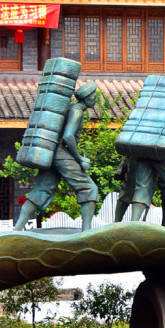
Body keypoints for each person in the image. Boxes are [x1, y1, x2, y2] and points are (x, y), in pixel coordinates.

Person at [13, 81, 100, 231]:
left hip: (52, 153)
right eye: (94, 96)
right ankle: (87, 231)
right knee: (89, 188)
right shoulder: (77, 111)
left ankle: (18, 227)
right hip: (61, 154)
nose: (96, 99)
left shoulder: (71, 109)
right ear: (88, 98)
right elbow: (68, 137)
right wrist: (80, 159)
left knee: (43, 188)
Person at [124, 123, 165, 230]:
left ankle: (133, 225)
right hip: (162, 153)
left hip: (142, 152)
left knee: (142, 189)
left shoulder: (148, 110)